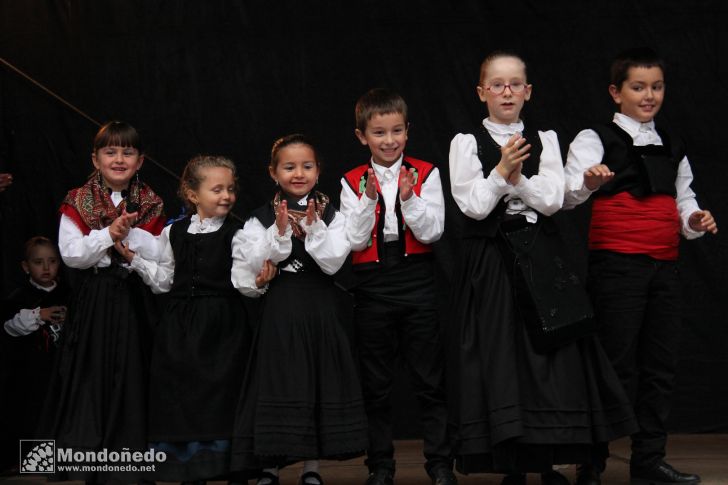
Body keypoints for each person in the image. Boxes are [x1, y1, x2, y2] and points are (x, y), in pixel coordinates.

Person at [448, 51, 637, 485]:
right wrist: (501, 172)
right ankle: (516, 464)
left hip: (541, 256)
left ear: (528, 91)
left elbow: (552, 200)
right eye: (497, 84)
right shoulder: (465, 142)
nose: (507, 91)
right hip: (492, 263)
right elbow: (473, 206)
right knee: (503, 361)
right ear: (481, 93)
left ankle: (552, 461)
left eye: (515, 83)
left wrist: (517, 181)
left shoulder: (545, 137)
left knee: (553, 360)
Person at [563, 47, 717, 485]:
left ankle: (649, 460)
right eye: (638, 87)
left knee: (659, 366)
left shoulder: (673, 141)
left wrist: (695, 218)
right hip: (616, 268)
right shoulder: (595, 138)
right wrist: (588, 183)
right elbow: (570, 194)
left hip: (664, 268)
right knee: (611, 364)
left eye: (656, 87)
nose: (648, 95)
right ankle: (590, 462)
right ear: (617, 92)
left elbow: (683, 201)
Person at [123, 155, 274, 482]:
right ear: (192, 194)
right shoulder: (173, 232)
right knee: (183, 396)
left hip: (223, 325)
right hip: (179, 327)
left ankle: (234, 470)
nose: (226, 196)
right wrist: (136, 260)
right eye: (216, 189)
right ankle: (191, 471)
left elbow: (241, 282)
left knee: (223, 395)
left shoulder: (238, 233)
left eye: (230, 189)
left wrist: (258, 282)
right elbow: (164, 279)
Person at [231, 134, 368, 485]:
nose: (298, 173)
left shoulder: (332, 214)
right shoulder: (259, 218)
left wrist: (313, 228)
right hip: (281, 309)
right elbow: (249, 265)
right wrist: (276, 236)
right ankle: (270, 466)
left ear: (318, 171)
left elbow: (334, 261)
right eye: (289, 167)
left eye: (306, 166)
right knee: (280, 384)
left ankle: (312, 468)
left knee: (316, 384)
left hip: (320, 308)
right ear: (273, 172)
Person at [38, 121, 165, 483]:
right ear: (95, 159)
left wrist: (132, 237)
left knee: (131, 371)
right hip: (94, 299)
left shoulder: (151, 201)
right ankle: (89, 457)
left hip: (134, 297)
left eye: (127, 152)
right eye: (111, 152)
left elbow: (160, 253)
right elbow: (72, 254)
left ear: (140, 161)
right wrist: (109, 234)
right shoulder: (78, 199)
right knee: (91, 373)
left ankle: (129, 457)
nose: (119, 158)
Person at [339, 88, 455, 485]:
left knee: (430, 380)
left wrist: (408, 198)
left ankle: (440, 464)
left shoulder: (427, 172)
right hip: (372, 284)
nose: (389, 141)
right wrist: (367, 201)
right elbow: (353, 242)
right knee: (376, 383)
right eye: (379, 133)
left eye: (396, 131)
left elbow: (433, 231)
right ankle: (381, 466)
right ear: (362, 137)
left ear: (408, 132)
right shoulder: (351, 180)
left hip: (417, 279)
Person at [0, 237, 68, 473]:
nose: (46, 268)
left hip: (59, 369)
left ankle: (59, 460)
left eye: (52, 261)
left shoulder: (70, 293)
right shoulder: (19, 296)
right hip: (30, 371)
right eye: (39, 262)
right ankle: (28, 461)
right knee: (29, 414)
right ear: (26, 266)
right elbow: (10, 326)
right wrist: (40, 314)